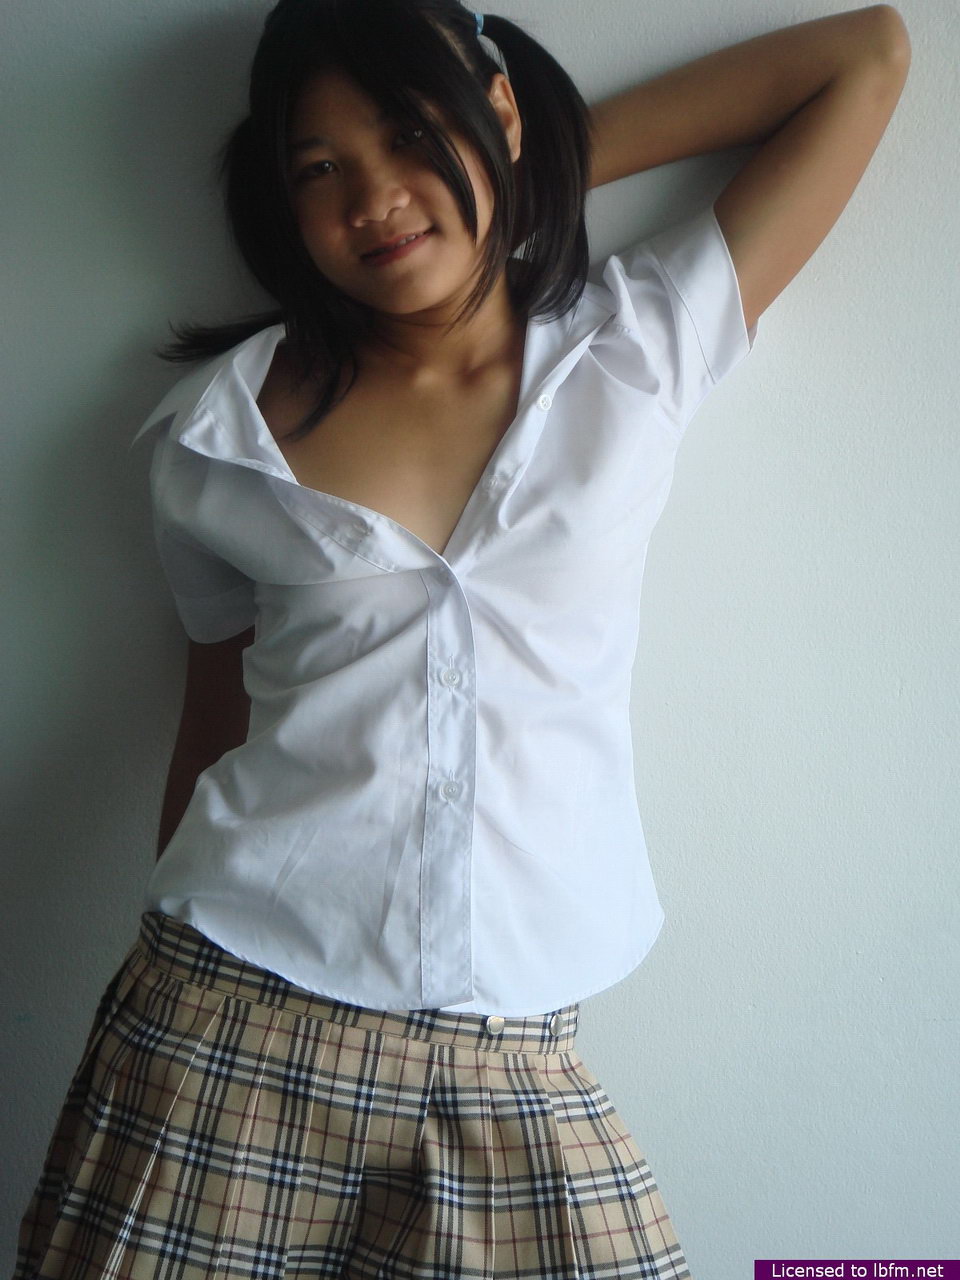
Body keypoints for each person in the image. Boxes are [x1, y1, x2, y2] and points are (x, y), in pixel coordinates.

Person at [13, 1, 909, 1276]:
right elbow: (215, 714)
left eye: (407, 133)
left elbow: (866, 57)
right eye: (318, 168)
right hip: (224, 1017)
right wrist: (463, 161)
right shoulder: (217, 439)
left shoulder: (635, 348)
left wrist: (514, 170)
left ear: (497, 110)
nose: (372, 197)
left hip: (510, 1054)